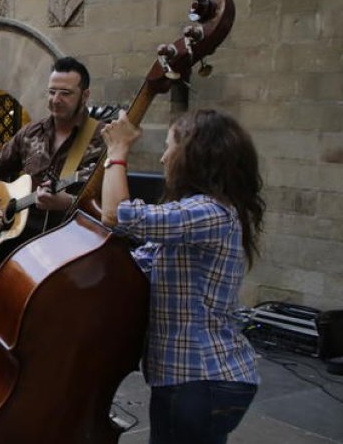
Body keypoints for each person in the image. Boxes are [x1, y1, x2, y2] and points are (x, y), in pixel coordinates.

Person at [100, 108, 264, 444]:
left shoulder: (211, 212)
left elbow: (117, 214)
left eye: (168, 147)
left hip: (200, 376)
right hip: (197, 379)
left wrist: (117, 153)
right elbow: (134, 256)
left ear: (194, 155)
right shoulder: (201, 216)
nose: (162, 159)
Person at [0, 57, 106, 257]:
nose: (55, 99)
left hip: (72, 251)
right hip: (20, 249)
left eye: (66, 93)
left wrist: (68, 202)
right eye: (52, 92)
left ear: (85, 95)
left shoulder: (104, 139)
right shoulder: (30, 133)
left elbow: (114, 210)